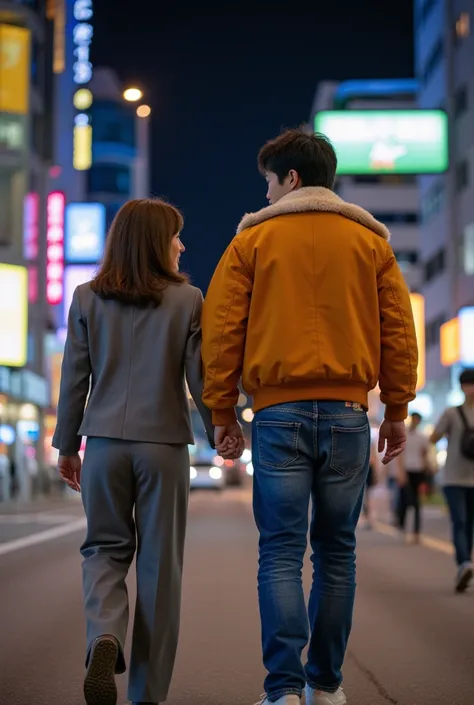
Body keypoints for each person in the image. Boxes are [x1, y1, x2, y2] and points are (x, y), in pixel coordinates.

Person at [201, 129, 417, 705]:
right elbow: (398, 330)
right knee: (337, 552)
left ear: (291, 178)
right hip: (350, 414)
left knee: (279, 551)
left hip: (277, 415)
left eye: (269, 183)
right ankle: (326, 684)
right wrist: (395, 409)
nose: (267, 195)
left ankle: (284, 691)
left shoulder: (252, 241)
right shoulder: (372, 243)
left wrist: (223, 411)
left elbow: (223, 332)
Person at [52, 199, 225, 705]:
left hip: (103, 445)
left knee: (104, 550)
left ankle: (104, 636)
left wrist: (67, 445)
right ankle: (146, 694)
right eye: (176, 236)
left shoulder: (86, 298)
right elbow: (200, 380)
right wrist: (222, 432)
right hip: (164, 447)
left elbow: (74, 381)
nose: (182, 245)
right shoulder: (189, 300)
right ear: (156, 241)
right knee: (159, 569)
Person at [430, 368, 474, 593]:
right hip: (459, 478)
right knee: (466, 523)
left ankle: (464, 563)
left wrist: (449, 434)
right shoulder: (451, 412)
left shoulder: (451, 413)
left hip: (453, 477)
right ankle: (465, 562)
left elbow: (433, 437)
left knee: (461, 522)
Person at [396, 412, 430, 542]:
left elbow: (424, 454)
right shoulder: (404, 435)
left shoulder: (422, 437)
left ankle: (416, 531)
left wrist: (427, 470)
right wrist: (400, 472)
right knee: (404, 500)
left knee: (416, 502)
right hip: (406, 471)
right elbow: (400, 454)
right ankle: (402, 527)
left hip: (418, 471)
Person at [361, 438, 379, 530]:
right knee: (366, 495)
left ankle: (368, 517)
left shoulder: (368, 441)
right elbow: (374, 457)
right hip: (366, 468)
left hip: (366, 468)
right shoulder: (369, 441)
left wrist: (375, 473)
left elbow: (374, 458)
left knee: (367, 495)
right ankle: (367, 517)